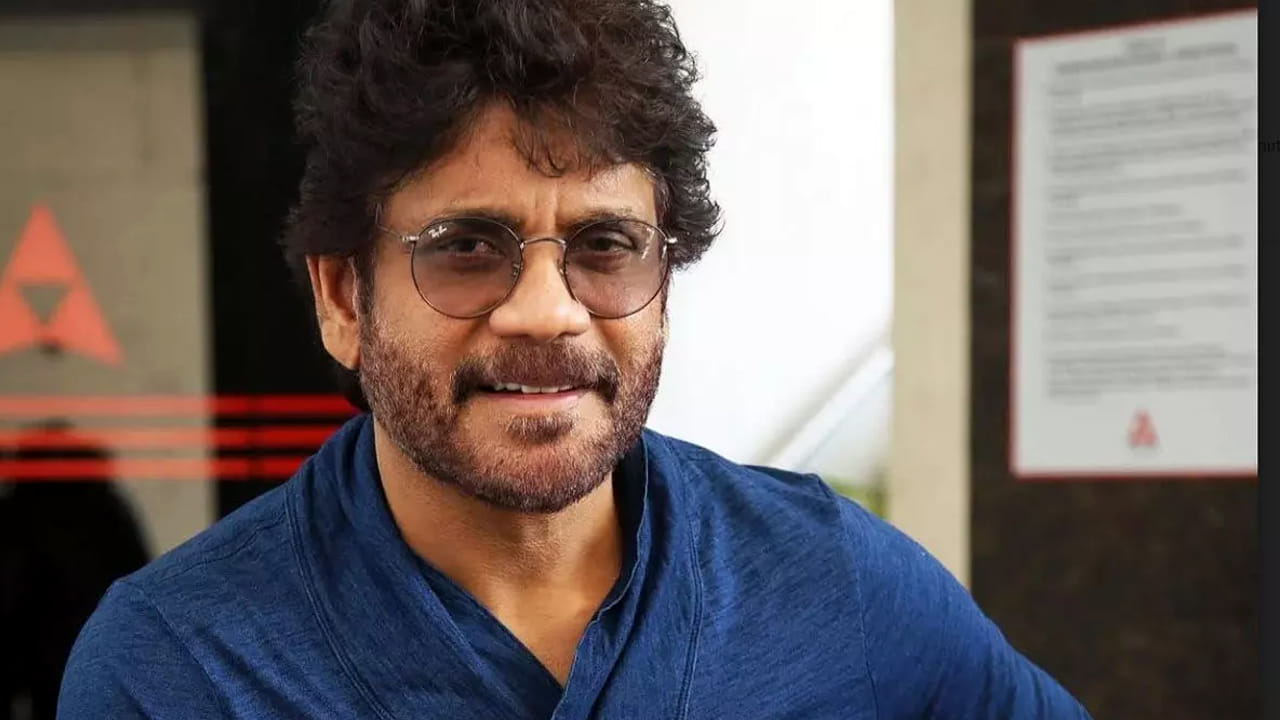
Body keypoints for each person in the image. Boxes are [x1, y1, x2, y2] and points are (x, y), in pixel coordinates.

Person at [58, 0, 1093, 717]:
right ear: (342, 299)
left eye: (604, 246)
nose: (547, 314)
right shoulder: (181, 666)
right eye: (466, 248)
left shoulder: (832, 584)